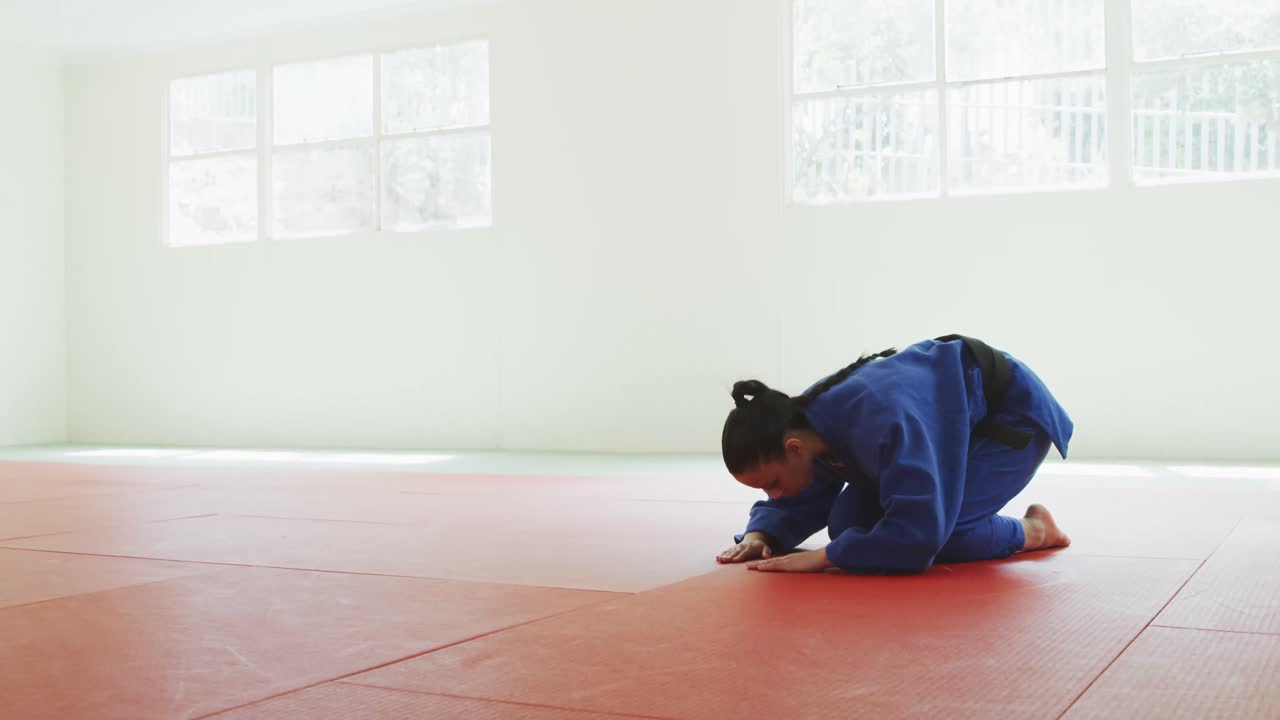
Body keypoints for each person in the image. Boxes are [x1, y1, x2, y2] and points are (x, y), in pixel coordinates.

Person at [716, 335, 1074, 575]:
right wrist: (761, 534)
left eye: (773, 484)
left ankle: (1034, 531)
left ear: (793, 448)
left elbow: (920, 533)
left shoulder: (882, 419)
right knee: (849, 527)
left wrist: (824, 557)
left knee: (942, 532)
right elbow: (806, 487)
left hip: (1011, 421)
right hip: (948, 422)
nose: (774, 495)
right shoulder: (800, 423)